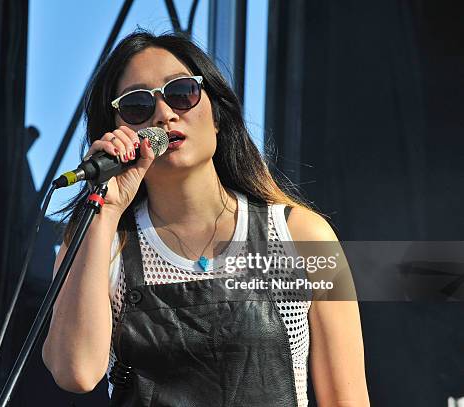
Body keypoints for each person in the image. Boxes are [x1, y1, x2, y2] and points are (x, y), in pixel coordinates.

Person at [42, 31, 370, 406]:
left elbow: (348, 399)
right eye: (137, 106)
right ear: (117, 132)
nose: (164, 114)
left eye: (182, 93)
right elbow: (76, 372)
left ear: (216, 115)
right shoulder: (101, 242)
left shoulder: (302, 234)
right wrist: (106, 212)